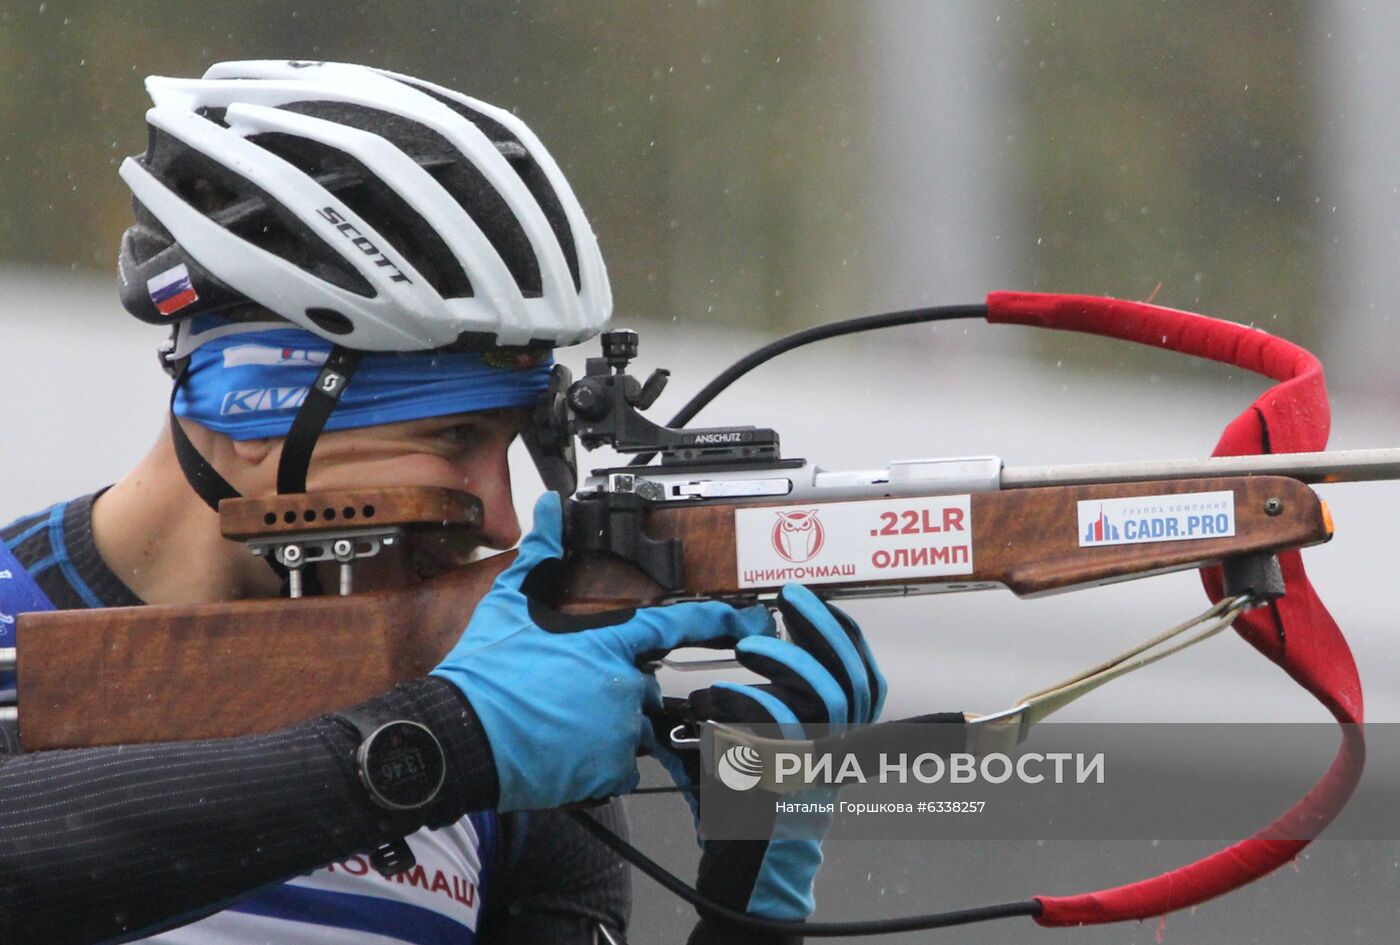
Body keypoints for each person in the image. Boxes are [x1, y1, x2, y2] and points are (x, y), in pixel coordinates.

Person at [0, 61, 884, 945]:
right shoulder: (481, 716)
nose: (502, 519)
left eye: (513, 446)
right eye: (456, 439)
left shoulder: (494, 695)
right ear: (252, 410)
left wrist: (752, 913)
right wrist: (445, 744)